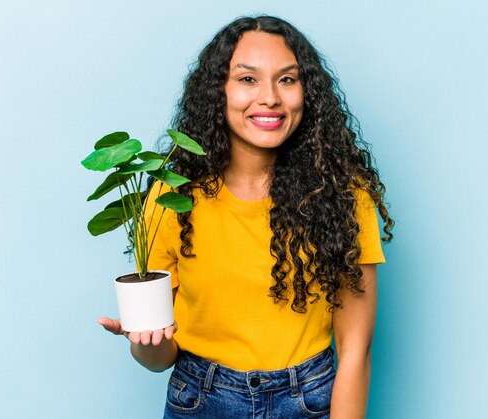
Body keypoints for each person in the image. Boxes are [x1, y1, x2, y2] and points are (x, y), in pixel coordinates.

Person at [98, 15, 394, 418]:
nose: (270, 97)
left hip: (308, 400)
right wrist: (144, 340)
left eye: (287, 79)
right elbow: (159, 359)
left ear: (307, 92)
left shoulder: (343, 197)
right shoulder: (172, 196)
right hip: (201, 398)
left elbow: (356, 351)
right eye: (248, 79)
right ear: (218, 92)